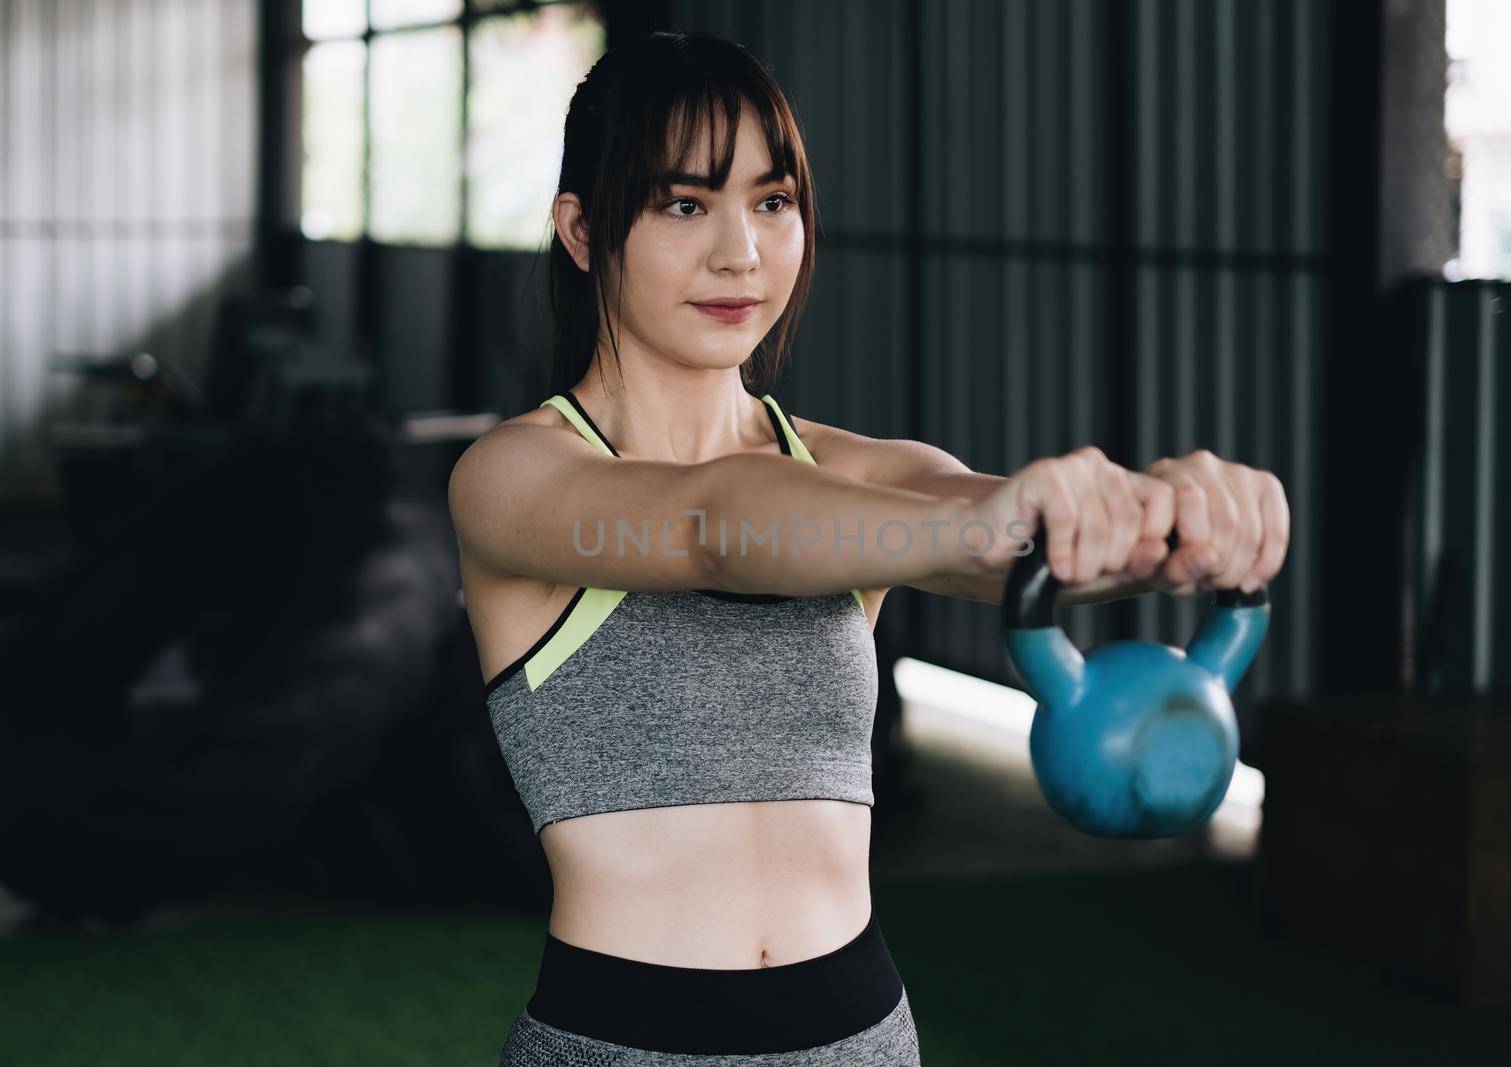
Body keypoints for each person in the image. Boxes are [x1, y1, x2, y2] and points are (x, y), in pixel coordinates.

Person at [449, 30, 1290, 1066]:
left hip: (862, 1040)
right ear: (580, 230)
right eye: (683, 204)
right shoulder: (516, 478)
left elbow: (1003, 543)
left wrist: (1176, 522)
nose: (740, 253)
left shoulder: (862, 474)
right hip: (620, 1043)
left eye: (772, 201)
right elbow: (719, 527)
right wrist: (983, 522)